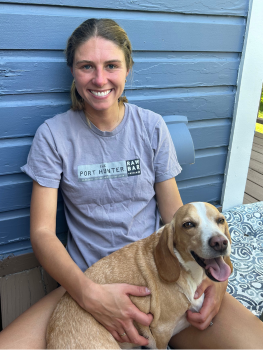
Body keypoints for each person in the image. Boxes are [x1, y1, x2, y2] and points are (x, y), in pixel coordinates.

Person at [0, 18, 262, 349]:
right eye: (86, 66)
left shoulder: (151, 127)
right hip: (89, 281)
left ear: (128, 70)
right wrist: (90, 294)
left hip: (162, 273)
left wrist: (218, 277)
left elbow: (176, 217)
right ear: (73, 72)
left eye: (111, 65)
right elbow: (41, 234)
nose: (99, 79)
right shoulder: (53, 136)